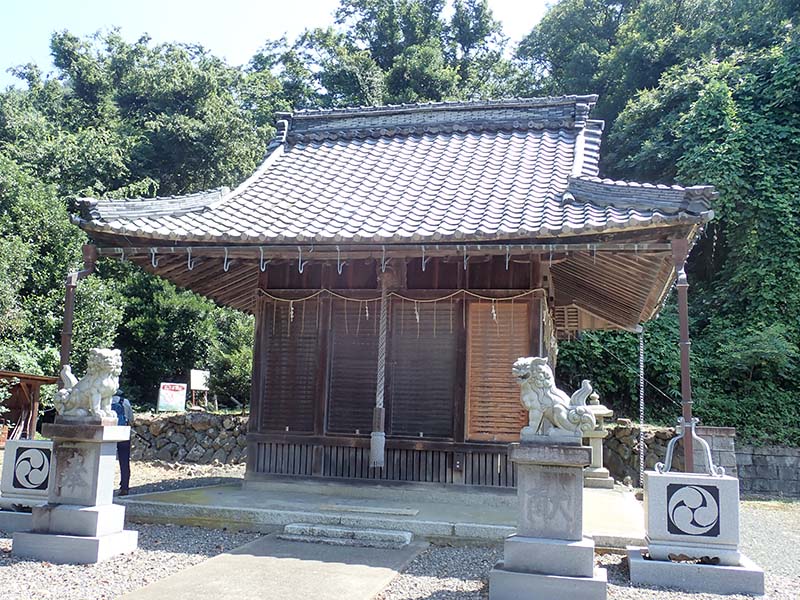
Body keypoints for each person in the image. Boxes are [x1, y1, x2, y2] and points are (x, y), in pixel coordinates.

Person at [111, 389, 134, 496]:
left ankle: (104, 486)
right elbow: (130, 420)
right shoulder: (125, 402)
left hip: (109, 435)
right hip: (123, 435)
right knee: (124, 462)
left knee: (106, 461)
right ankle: (124, 487)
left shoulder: (105, 402)